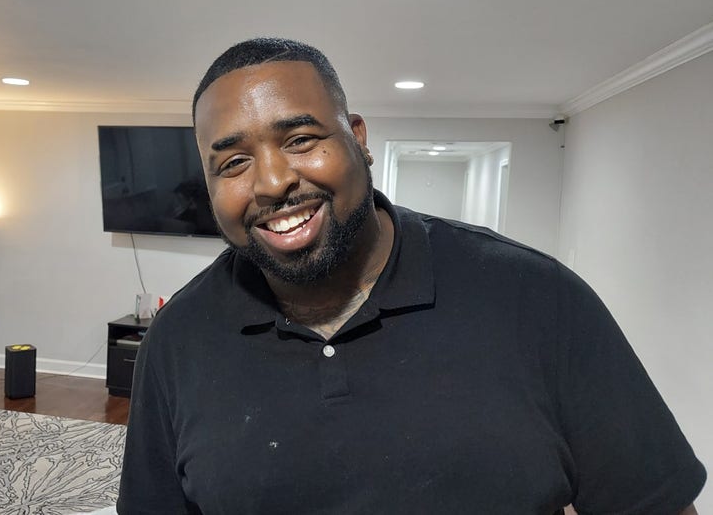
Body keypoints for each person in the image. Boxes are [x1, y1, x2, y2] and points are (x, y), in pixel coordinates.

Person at [117, 37, 706, 514]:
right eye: (234, 162)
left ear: (359, 139)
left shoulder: (539, 298)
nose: (272, 182)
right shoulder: (175, 341)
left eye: (301, 139)